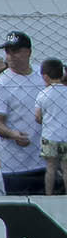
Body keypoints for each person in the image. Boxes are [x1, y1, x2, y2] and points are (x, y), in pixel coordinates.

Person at [0, 31, 46, 194]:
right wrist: (13, 134)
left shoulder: (41, 75)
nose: (11, 56)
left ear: (28, 52)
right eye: (8, 51)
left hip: (44, 160)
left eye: (15, 51)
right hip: (15, 165)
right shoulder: (1, 84)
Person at [35, 57, 67, 195]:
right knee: (66, 168)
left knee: (50, 167)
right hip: (65, 135)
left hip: (49, 136)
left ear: (45, 77)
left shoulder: (42, 94)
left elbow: (38, 117)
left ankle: (49, 194)